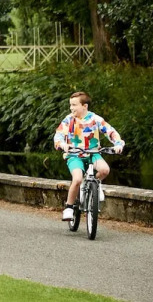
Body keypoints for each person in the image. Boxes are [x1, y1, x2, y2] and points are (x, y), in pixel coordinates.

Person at [54, 91, 124, 221]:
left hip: (93, 153)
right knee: (77, 179)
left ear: (84, 106)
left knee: (104, 170)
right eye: (70, 105)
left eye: (74, 105)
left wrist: (118, 144)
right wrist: (62, 144)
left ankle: (95, 185)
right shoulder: (69, 120)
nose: (71, 108)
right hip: (75, 155)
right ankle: (69, 207)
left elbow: (110, 131)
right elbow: (58, 135)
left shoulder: (95, 119)